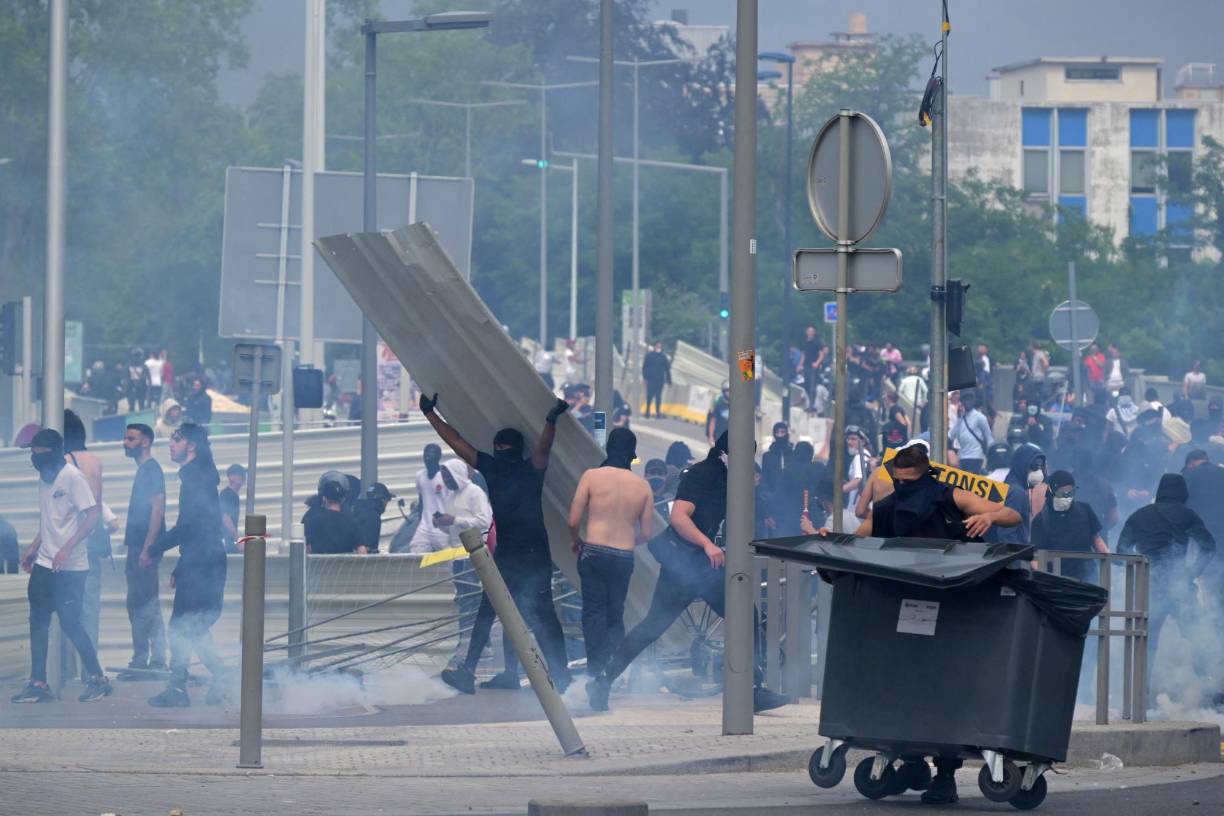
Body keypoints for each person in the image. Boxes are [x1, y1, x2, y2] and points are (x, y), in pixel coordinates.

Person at [806, 441, 1021, 805]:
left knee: (948, 693)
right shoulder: (886, 508)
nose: (903, 488)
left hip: (955, 612)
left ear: (925, 475)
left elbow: (1012, 515)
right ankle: (910, 761)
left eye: (910, 481)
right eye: (897, 480)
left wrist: (990, 517)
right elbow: (858, 540)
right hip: (900, 608)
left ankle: (945, 776)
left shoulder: (952, 496)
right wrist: (831, 543)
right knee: (904, 687)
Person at [584, 431, 788, 713]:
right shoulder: (705, 474)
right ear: (730, 453)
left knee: (655, 627)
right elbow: (679, 517)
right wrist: (707, 544)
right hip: (688, 562)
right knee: (737, 616)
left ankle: (602, 682)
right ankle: (751, 691)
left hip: (693, 564)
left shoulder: (725, 476)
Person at [422, 393, 574, 694]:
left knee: (489, 612)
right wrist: (550, 420)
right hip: (535, 555)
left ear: (499, 449)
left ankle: (470, 671)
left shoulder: (491, 467)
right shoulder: (530, 470)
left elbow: (457, 443)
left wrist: (430, 414)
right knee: (543, 615)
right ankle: (560, 674)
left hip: (506, 557)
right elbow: (544, 448)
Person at [10, 429, 112, 704]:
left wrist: (67, 548)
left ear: (54, 452)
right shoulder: (44, 479)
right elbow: (51, 521)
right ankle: (38, 683)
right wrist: (33, 548)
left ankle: (98, 679)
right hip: (45, 562)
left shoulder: (72, 477)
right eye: (33, 454)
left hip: (71, 567)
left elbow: (92, 517)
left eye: (40, 454)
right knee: (38, 623)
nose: (36, 459)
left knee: (70, 623)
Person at [147, 424, 228, 707]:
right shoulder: (198, 476)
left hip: (203, 563)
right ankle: (220, 675)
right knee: (191, 626)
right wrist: (182, 566)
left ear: (191, 446)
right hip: (202, 561)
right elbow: (198, 528)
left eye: (176, 439)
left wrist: (154, 548)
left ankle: (179, 689)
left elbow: (189, 526)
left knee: (183, 626)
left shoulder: (196, 478)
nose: (170, 444)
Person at [1117, 474, 1216, 703]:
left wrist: (1142, 565)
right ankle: (1211, 690)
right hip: (1179, 585)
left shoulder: (1138, 516)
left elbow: (1120, 552)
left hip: (1148, 587)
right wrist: (1191, 572)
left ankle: (1141, 696)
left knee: (1146, 642)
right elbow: (1209, 547)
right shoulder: (1187, 514)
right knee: (1198, 635)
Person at [567, 429, 653, 679]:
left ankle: (595, 669)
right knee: (616, 614)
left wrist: (576, 542)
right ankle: (611, 672)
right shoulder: (642, 486)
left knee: (594, 613)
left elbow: (573, 520)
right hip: (623, 557)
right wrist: (628, 541)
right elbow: (646, 533)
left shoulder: (592, 476)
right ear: (631, 454)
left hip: (593, 552)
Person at [433, 459, 495, 676]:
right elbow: (452, 528)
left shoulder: (475, 492)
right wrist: (442, 523)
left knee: (472, 601)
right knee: (464, 600)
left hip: (473, 553)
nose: (446, 480)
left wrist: (455, 519)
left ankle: (472, 645)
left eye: (449, 475)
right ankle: (473, 643)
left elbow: (484, 521)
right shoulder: (450, 496)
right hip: (457, 555)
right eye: (444, 476)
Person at [116, 423, 168, 680]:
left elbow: (158, 509)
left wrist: (147, 548)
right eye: (125, 438)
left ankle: (141, 661)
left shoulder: (151, 470)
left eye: (130, 438)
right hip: (138, 545)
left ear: (145, 442)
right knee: (147, 604)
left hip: (143, 548)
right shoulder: (145, 471)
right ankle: (157, 660)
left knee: (141, 604)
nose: (125, 442)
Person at [63, 410, 108, 683]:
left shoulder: (66, 462)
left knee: (67, 608)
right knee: (90, 610)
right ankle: (91, 673)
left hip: (73, 540)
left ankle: (69, 672)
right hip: (94, 536)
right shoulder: (95, 460)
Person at [1031, 471, 1109, 583]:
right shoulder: (1041, 520)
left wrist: (1107, 556)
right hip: (1056, 580)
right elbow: (1036, 556)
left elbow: (1096, 539)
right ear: (1052, 491)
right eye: (1062, 492)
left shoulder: (1085, 510)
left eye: (1070, 491)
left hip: (1087, 577)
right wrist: (1043, 579)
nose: (1066, 496)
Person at [304, 472, 365, 554]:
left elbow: (307, 549)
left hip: (319, 566)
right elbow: (362, 551)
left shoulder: (312, 521)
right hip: (344, 566)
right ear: (343, 498)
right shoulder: (352, 522)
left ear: (324, 497)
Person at [408, 443, 452, 554]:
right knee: (415, 554)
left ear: (438, 457)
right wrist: (419, 520)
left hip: (442, 529)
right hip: (424, 528)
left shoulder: (445, 477)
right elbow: (421, 499)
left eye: (432, 454)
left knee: (449, 560)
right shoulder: (420, 476)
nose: (428, 457)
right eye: (426, 454)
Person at [949, 391, 993, 475]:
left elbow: (989, 436)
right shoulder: (961, 418)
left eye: (970, 400)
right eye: (966, 400)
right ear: (962, 402)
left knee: (969, 483)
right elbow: (952, 435)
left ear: (973, 401)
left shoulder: (980, 417)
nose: (968, 402)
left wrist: (990, 455)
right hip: (962, 457)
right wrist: (958, 417)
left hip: (975, 456)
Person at [354, 483, 394, 553]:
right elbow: (369, 547)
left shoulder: (358, 510)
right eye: (388, 500)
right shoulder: (373, 517)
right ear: (382, 500)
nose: (387, 504)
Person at [218, 464, 245, 554]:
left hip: (229, 541)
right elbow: (226, 518)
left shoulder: (233, 495)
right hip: (226, 542)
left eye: (243, 475)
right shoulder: (227, 494)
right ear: (231, 477)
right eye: (239, 475)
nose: (242, 478)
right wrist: (237, 540)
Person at [641, 341, 672, 419]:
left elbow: (667, 369)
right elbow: (644, 367)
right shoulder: (649, 356)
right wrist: (645, 378)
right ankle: (647, 412)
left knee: (658, 396)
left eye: (660, 346)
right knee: (649, 396)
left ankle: (658, 413)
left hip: (660, 380)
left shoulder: (663, 357)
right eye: (657, 346)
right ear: (654, 346)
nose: (658, 348)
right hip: (650, 379)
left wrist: (669, 380)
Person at [801, 326, 827, 412]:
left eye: (812, 331)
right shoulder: (805, 342)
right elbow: (803, 354)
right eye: (808, 330)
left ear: (814, 332)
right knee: (806, 384)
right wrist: (800, 365)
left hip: (813, 366)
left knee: (813, 385)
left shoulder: (817, 342)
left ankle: (813, 405)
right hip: (806, 366)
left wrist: (817, 363)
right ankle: (810, 403)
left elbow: (821, 354)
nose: (810, 332)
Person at [705, 382, 731, 447]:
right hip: (718, 437)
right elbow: (712, 422)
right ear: (724, 392)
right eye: (727, 391)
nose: (729, 393)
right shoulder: (718, 406)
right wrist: (710, 437)